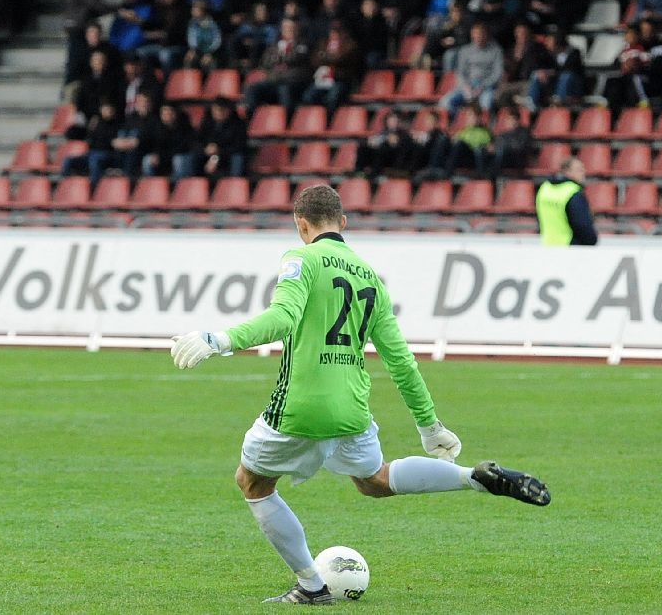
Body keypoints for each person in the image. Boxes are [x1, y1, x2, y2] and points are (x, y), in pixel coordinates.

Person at [170, 184, 551, 605]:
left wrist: (220, 339)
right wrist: (429, 425)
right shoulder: (369, 276)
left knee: (252, 482)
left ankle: (312, 587)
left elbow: (283, 317)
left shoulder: (301, 259)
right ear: (343, 222)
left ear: (301, 225)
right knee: (374, 480)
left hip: (302, 406)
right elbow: (401, 362)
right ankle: (471, 478)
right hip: (353, 409)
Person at [536, 157, 598, 246]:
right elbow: (582, 225)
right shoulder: (572, 192)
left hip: (548, 245)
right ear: (567, 171)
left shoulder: (545, 188)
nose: (583, 172)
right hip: (569, 247)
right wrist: (591, 241)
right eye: (579, 169)